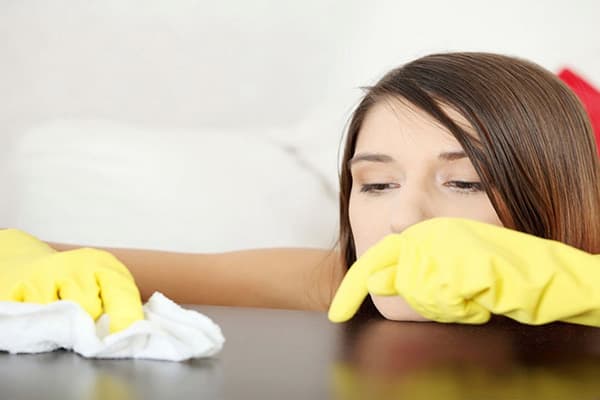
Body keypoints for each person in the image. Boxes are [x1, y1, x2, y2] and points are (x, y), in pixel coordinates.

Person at [3, 52, 600, 331]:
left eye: (465, 181)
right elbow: (41, 255)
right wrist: (21, 256)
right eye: (377, 183)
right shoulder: (337, 282)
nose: (404, 218)